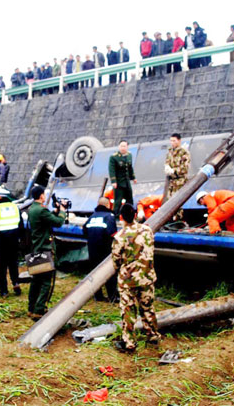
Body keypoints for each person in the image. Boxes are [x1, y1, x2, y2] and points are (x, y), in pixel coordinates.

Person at [112, 203, 161, 352]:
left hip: (128, 281)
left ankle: (129, 343)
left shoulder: (119, 237)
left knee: (128, 310)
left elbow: (116, 261)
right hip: (147, 277)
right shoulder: (147, 230)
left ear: (121, 217)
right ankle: (153, 335)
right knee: (148, 308)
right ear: (135, 215)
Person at [27, 185, 67, 319]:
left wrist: (54, 211)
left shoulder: (32, 209)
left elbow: (46, 221)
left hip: (36, 248)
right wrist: (62, 211)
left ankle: (31, 307)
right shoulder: (42, 210)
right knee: (46, 282)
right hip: (45, 249)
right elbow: (58, 222)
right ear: (42, 196)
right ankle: (39, 309)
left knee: (36, 280)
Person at [83, 197, 118, 302]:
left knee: (95, 272)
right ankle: (112, 296)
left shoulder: (92, 217)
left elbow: (84, 230)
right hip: (105, 250)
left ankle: (98, 296)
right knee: (109, 273)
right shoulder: (110, 216)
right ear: (108, 205)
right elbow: (112, 233)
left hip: (92, 250)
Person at [164, 133, 191, 219]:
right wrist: (167, 168)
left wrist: (174, 171)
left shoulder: (184, 152)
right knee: (169, 200)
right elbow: (167, 162)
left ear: (179, 141)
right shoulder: (170, 152)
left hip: (180, 180)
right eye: (171, 141)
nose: (172, 143)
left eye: (174, 141)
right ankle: (170, 219)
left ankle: (178, 219)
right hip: (171, 181)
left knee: (177, 201)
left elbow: (184, 168)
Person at [109, 140, 137, 215]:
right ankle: (116, 216)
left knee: (129, 199)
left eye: (124, 146)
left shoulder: (129, 155)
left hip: (126, 181)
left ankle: (130, 215)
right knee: (118, 200)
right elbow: (112, 170)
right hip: (119, 182)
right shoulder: (114, 157)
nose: (122, 148)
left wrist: (133, 177)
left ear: (127, 147)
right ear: (119, 147)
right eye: (121, 146)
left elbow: (130, 167)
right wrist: (113, 181)